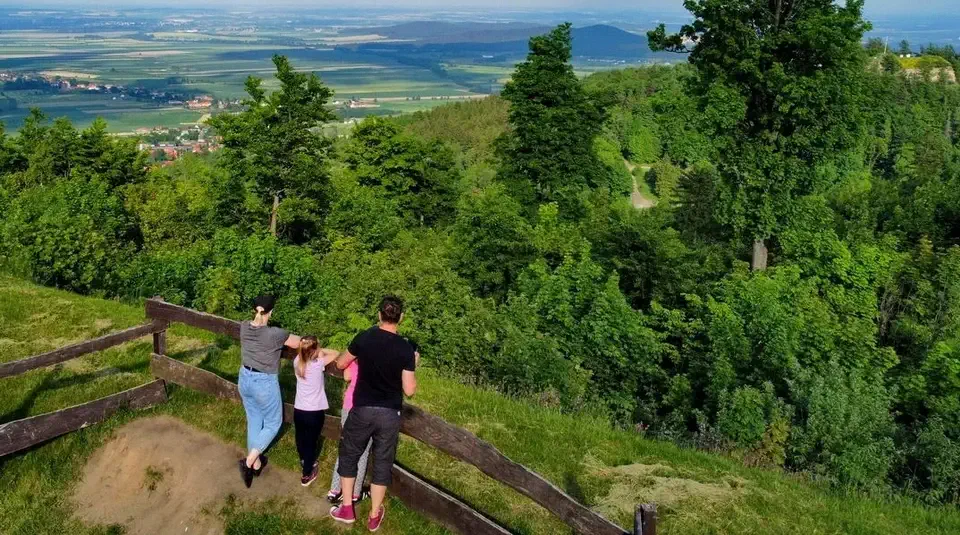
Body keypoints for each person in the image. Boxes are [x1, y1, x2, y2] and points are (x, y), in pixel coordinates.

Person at [329, 295, 419, 532]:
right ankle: (374, 515)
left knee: (349, 455)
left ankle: (347, 508)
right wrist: (413, 365)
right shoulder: (405, 348)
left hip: (361, 408)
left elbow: (341, 363)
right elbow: (410, 390)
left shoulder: (365, 337)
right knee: (382, 462)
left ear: (379, 315)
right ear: (401, 317)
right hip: (389, 413)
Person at [237, 295, 300, 488]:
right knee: (273, 423)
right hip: (264, 382)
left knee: (254, 419)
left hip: (244, 377)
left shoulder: (243, 326)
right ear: (271, 312)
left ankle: (256, 464)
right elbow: (298, 342)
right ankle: (249, 461)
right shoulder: (276, 334)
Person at [293, 336, 339, 487]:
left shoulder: (297, 362)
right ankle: (307, 473)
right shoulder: (318, 364)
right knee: (311, 442)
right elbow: (336, 353)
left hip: (299, 409)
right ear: (314, 350)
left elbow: (305, 354)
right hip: (314, 411)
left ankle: (303, 459)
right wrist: (320, 351)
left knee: (300, 437)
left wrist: (312, 349)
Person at [326, 358, 372, 503]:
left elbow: (347, 376)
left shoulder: (355, 358)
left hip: (350, 404)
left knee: (346, 448)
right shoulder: (379, 359)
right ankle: (355, 493)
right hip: (369, 409)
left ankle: (334, 490)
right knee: (363, 452)